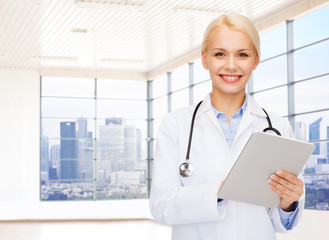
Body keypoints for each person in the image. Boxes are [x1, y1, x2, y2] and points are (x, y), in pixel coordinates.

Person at [149, 14, 304, 240]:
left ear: (255, 61)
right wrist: (218, 192)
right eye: (220, 54)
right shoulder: (176, 125)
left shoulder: (278, 127)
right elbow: (161, 206)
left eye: (242, 55)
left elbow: (282, 222)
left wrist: (288, 203)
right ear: (205, 59)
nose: (231, 65)